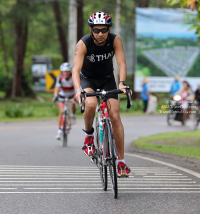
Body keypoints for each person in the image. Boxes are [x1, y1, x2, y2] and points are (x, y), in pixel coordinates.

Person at [72, 12, 130, 177]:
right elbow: (75, 70)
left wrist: (122, 83)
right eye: (96, 30)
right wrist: (78, 90)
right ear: (91, 30)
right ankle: (89, 136)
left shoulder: (115, 40)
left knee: (115, 116)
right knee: (90, 105)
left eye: (104, 30)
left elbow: (122, 63)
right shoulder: (84, 43)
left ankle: (121, 162)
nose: (100, 34)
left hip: (107, 79)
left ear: (108, 29)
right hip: (87, 80)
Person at [53, 62, 76, 140]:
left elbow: (76, 87)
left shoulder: (73, 77)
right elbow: (57, 88)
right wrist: (55, 96)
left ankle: (73, 115)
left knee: (73, 103)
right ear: (62, 72)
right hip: (62, 96)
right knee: (61, 112)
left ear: (70, 72)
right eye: (64, 71)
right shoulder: (60, 78)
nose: (65, 73)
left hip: (71, 95)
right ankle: (59, 131)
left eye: (67, 71)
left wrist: (77, 95)